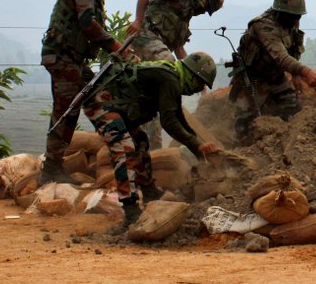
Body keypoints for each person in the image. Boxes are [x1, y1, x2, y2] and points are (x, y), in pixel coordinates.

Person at [83, 52, 220, 230]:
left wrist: (198, 149)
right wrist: (197, 145)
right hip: (101, 104)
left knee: (140, 140)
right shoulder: (170, 78)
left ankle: (149, 191)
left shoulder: (172, 76)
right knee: (125, 150)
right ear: (192, 75)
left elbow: (179, 117)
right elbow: (169, 122)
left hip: (116, 106)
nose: (198, 88)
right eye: (200, 83)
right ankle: (130, 209)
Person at [40, 0, 127, 185]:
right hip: (63, 58)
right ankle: (51, 169)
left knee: (97, 98)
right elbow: (87, 23)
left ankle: (120, 152)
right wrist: (116, 46)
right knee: (66, 111)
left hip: (72, 59)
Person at [126, 0, 225, 149]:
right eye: (205, 6)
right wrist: (138, 20)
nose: (202, 11)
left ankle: (152, 146)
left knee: (157, 102)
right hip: (142, 39)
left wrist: (197, 77)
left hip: (153, 57)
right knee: (172, 71)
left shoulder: (184, 22)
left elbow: (179, 48)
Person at [229, 0, 316, 140]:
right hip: (252, 79)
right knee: (245, 127)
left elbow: (293, 50)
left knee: (294, 112)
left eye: (298, 16)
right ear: (281, 13)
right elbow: (281, 56)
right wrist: (306, 72)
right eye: (293, 16)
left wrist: (295, 75)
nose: (296, 21)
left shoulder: (291, 23)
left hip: (276, 76)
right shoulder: (263, 25)